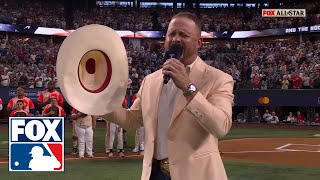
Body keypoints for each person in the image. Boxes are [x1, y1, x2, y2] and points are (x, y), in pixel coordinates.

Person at [102, 12, 234, 180]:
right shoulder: (150, 80)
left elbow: (221, 126)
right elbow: (132, 120)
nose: (176, 39)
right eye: (172, 33)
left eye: (184, 35)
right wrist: (101, 105)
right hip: (154, 173)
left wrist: (188, 87)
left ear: (198, 43)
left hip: (195, 174)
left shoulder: (218, 79)